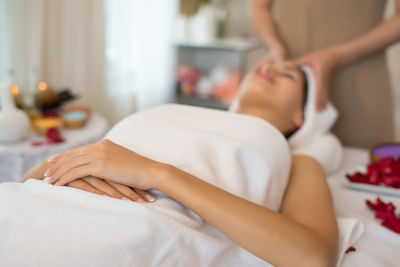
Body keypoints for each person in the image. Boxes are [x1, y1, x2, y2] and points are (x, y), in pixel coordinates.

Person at [22, 62, 339, 267]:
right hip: (38, 209)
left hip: (118, 239)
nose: (268, 65)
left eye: (286, 74)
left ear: (303, 115)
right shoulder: (172, 110)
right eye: (262, 64)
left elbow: (312, 257)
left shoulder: (296, 159)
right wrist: (66, 172)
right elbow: (35, 176)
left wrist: (156, 173)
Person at [252, 0, 400, 148]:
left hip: (360, 87)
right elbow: (260, 7)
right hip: (290, 87)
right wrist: (275, 49)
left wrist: (340, 56)